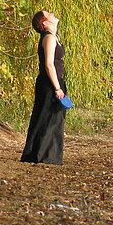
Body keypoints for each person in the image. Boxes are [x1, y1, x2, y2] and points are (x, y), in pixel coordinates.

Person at [21, 10, 67, 165]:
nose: (53, 14)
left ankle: (45, 155)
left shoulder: (53, 37)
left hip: (54, 82)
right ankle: (43, 155)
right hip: (50, 83)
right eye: (49, 14)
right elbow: (49, 64)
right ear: (44, 23)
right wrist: (57, 87)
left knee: (52, 117)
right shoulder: (48, 38)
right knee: (47, 117)